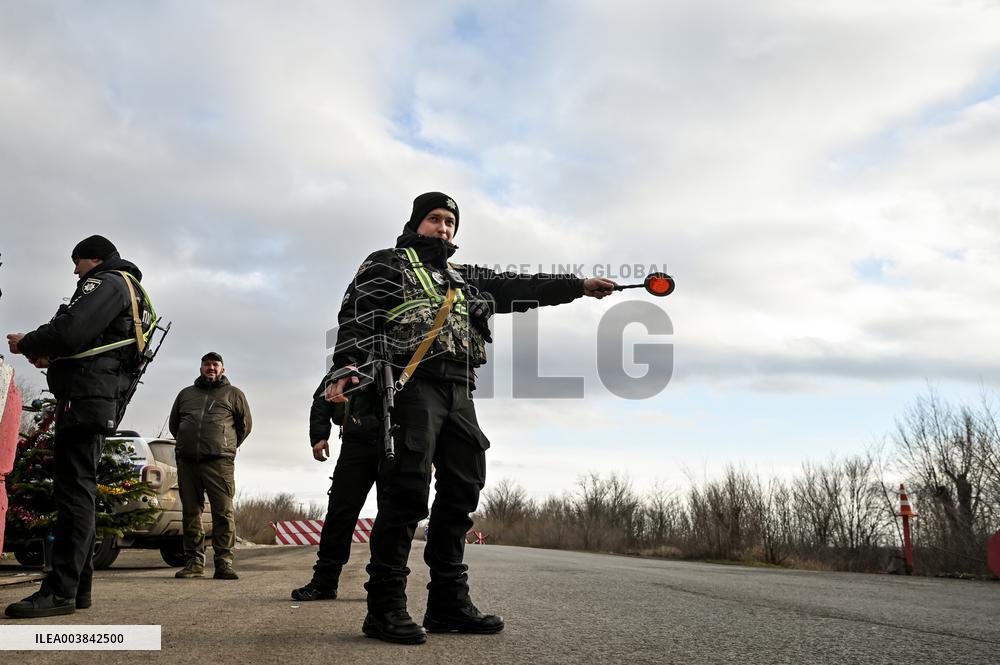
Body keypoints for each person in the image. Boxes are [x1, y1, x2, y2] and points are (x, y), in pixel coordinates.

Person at [327, 192, 616, 644]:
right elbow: (355, 318)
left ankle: (447, 604)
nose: (443, 229)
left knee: (464, 486)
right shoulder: (386, 262)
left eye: (450, 223)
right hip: (409, 386)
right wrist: (344, 369)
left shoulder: (467, 278)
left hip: (460, 391)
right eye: (435, 219)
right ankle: (384, 608)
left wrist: (577, 286)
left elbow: (522, 286)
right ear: (416, 223)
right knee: (406, 492)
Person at [5, 235, 154, 618]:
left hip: (85, 398)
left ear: (95, 259)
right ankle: (78, 588)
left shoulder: (107, 282)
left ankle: (60, 590)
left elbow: (70, 330)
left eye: (78, 263)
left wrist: (29, 342)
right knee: (79, 490)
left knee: (73, 494)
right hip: (95, 397)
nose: (74, 271)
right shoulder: (125, 287)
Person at [289, 377, 380, 601]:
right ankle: (324, 582)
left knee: (393, 516)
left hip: (398, 443)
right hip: (356, 443)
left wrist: (429, 448)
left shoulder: (405, 357)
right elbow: (322, 399)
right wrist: (319, 435)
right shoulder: (349, 360)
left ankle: (383, 584)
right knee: (340, 513)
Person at [169, 352, 252, 580]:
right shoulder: (186, 394)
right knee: (190, 512)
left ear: (223, 369)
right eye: (207, 364)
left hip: (219, 462)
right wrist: (190, 444)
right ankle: (194, 562)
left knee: (223, 512)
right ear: (201, 368)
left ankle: (224, 562)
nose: (211, 368)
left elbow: (244, 426)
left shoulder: (234, 394)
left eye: (215, 364)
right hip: (187, 462)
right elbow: (175, 425)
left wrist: (224, 445)